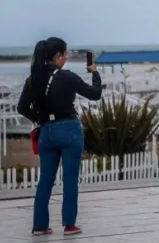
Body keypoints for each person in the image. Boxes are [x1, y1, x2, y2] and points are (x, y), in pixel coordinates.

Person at [16, 37, 102, 236]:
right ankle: (69, 225)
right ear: (57, 56)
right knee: (70, 179)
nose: (66, 57)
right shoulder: (67, 77)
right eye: (65, 54)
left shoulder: (33, 79)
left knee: (45, 180)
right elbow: (95, 94)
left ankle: (39, 226)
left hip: (46, 131)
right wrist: (94, 72)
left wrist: (39, 118)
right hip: (69, 129)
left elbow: (21, 107)